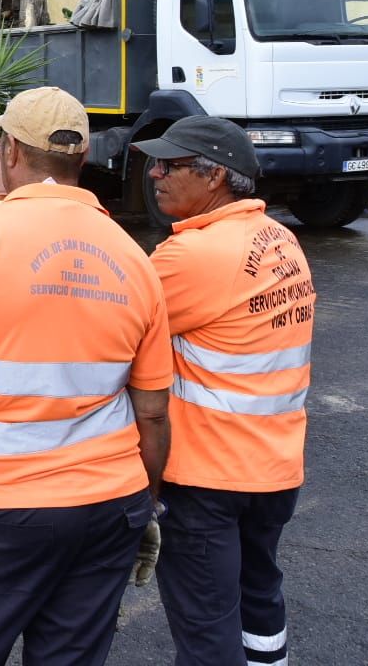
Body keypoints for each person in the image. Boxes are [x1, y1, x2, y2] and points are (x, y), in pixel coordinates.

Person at [0, 86, 172, 665]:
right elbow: (152, 411)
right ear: (83, 157)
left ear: (9, 150)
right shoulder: (134, 257)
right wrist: (144, 503)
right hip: (109, 505)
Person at [133, 117, 315, 666]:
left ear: (215, 177)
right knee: (258, 597)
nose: (155, 174)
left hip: (207, 476)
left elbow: (109, 331)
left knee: (207, 627)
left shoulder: (193, 256)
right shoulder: (280, 239)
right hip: (274, 467)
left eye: (171, 165)